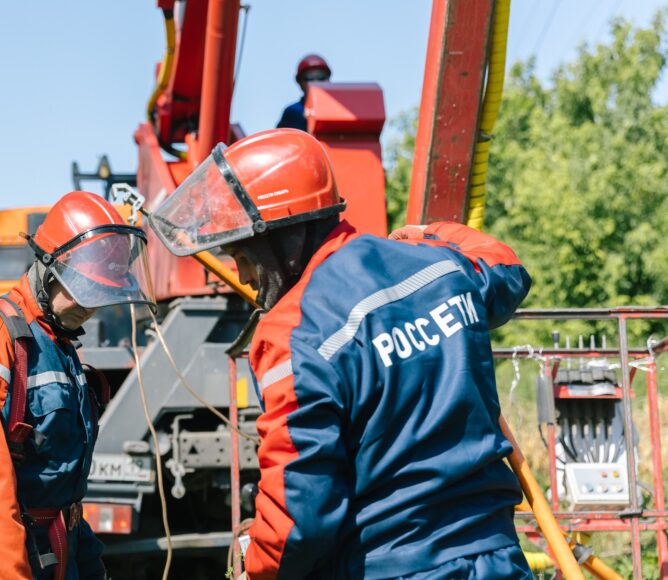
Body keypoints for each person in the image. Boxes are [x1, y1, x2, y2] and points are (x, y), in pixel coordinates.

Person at [147, 129, 533, 579]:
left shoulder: (293, 332)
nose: (245, 275)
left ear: (285, 236)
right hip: (497, 559)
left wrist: (254, 567)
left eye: (242, 253)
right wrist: (421, 234)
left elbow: (299, 519)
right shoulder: (442, 269)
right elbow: (505, 266)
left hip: (393, 566)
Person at [0, 191, 155, 580]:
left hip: (50, 554)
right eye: (86, 290)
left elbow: (63, 488)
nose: (92, 306)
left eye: (103, 294)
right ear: (52, 268)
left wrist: (88, 565)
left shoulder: (59, 343)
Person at [277, 54, 332, 131]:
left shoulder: (340, 110)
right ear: (299, 81)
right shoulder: (293, 112)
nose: (316, 82)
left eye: (321, 76)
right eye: (309, 77)